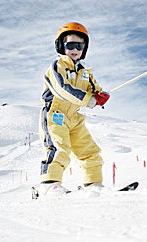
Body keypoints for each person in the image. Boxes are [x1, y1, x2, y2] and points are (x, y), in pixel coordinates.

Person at [37, 22, 110, 197]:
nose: (75, 49)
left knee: (89, 150)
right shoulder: (58, 66)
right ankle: (49, 185)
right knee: (59, 148)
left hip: (74, 117)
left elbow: (94, 88)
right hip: (55, 114)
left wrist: (100, 96)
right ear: (61, 45)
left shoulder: (85, 72)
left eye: (79, 45)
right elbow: (62, 89)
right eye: (70, 45)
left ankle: (93, 185)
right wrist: (88, 100)